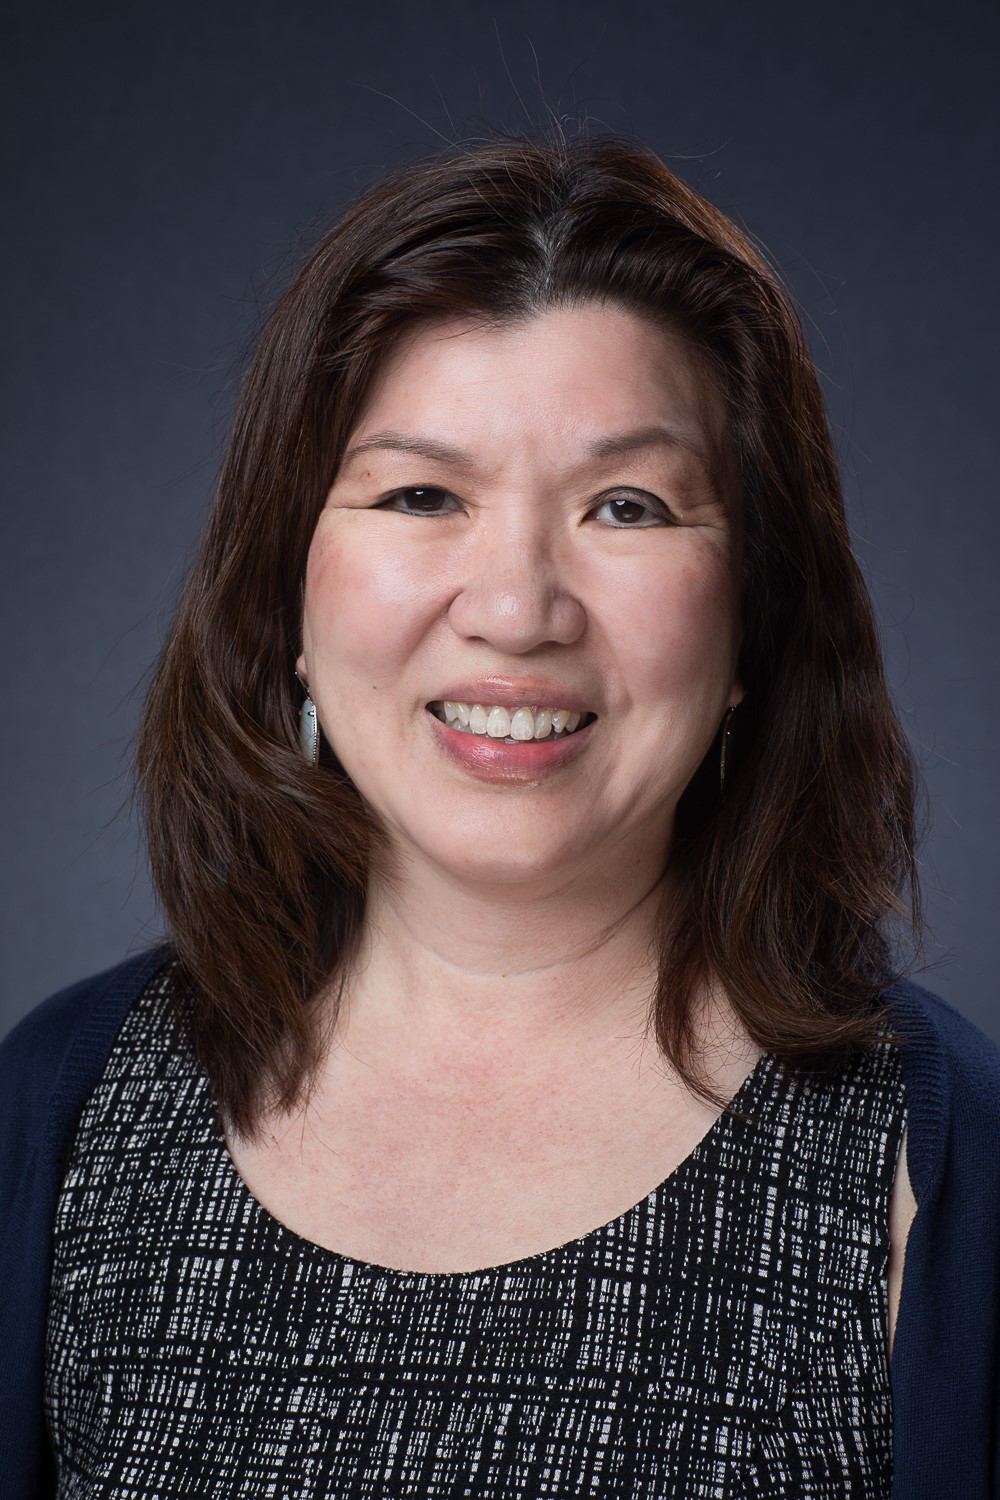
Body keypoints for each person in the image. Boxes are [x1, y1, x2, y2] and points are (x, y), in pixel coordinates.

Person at [1, 134, 998, 1499]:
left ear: (756, 614)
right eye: (422, 494)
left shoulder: (938, 1166)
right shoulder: (56, 1113)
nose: (519, 605)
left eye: (626, 505)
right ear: (288, 598)